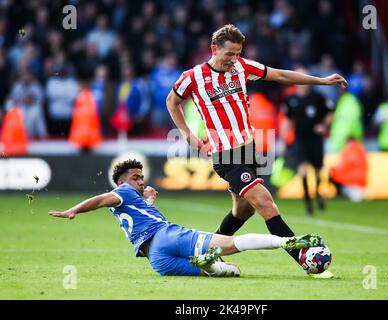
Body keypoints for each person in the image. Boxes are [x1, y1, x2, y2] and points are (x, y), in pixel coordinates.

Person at [166, 24, 346, 267]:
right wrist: (188, 135)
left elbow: (281, 75)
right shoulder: (193, 77)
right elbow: (172, 101)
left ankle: (205, 255)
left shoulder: (242, 67)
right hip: (226, 154)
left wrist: (321, 81)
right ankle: (303, 258)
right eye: (229, 53)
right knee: (264, 202)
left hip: (249, 150)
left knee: (243, 211)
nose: (234, 59)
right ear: (214, 49)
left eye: (238, 53)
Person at [48, 159, 325, 277]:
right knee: (233, 244)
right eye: (136, 178)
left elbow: (136, 211)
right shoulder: (121, 192)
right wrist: (74, 209)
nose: (141, 181)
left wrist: (149, 200)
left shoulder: (131, 199)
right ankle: (286, 242)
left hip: (157, 260)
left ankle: (212, 264)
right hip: (167, 236)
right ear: (121, 180)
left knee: (230, 271)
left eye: (142, 177)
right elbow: (99, 200)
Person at [280, 67, 335, 215]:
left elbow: (330, 113)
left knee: (317, 170)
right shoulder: (291, 99)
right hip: (300, 139)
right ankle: (308, 202)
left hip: (315, 139)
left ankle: (317, 192)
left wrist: (323, 125)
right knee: (303, 170)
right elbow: (287, 119)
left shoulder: (318, 97)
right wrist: (284, 140)